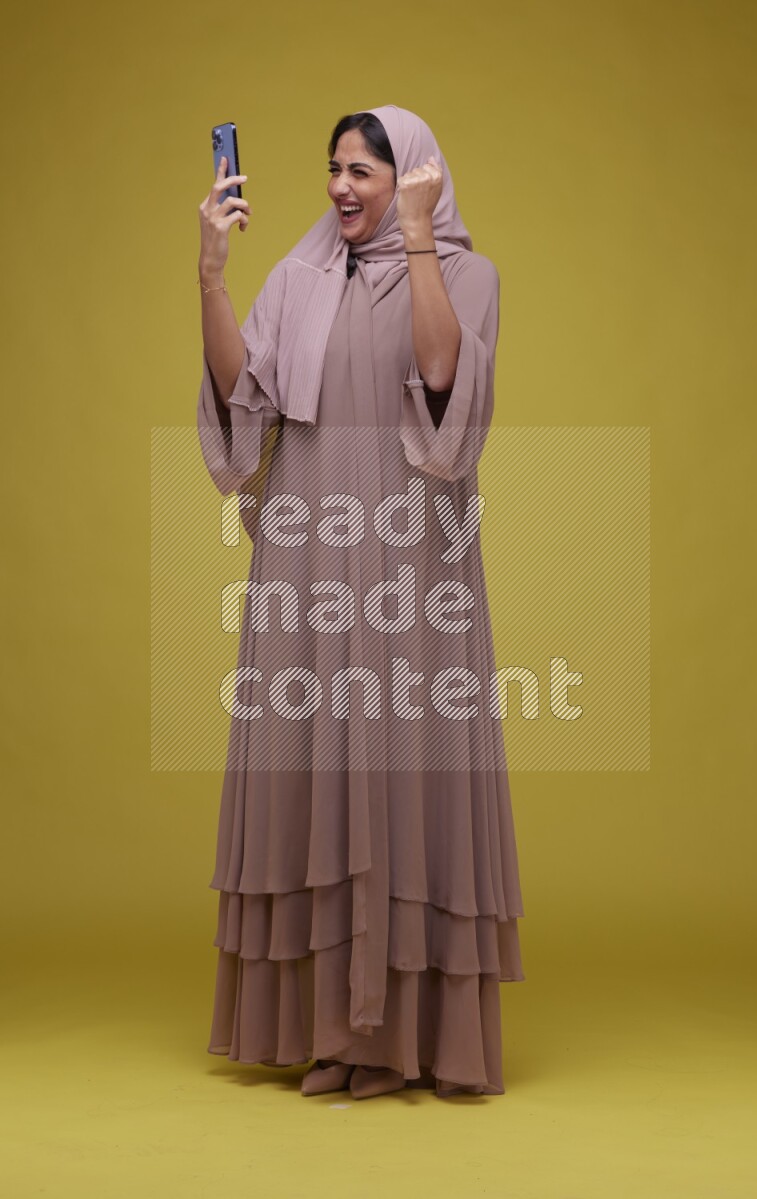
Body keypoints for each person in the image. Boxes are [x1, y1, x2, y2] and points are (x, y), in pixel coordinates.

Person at [196, 104, 525, 1100]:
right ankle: (328, 1032)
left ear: (411, 177)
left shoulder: (466, 274)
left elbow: (442, 379)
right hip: (305, 557)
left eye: (363, 172)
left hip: (408, 563)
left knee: (399, 768)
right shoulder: (298, 279)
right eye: (333, 169)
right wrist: (212, 276)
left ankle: (396, 1041)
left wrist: (417, 237)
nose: (341, 187)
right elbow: (243, 403)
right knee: (311, 768)